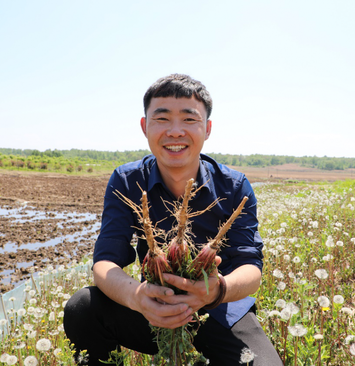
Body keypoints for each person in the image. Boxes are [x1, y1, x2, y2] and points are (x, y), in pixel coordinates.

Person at [64, 74, 282, 365]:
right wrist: (138, 297)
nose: (175, 131)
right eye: (162, 118)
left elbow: (250, 268)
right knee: (83, 308)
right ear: (145, 127)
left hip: (217, 311)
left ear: (207, 129)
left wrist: (217, 291)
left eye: (189, 120)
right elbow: (105, 263)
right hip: (155, 306)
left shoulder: (234, 187)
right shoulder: (127, 180)